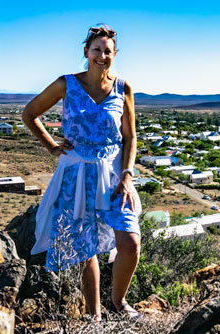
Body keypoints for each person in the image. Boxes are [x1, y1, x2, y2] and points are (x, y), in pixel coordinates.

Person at [22, 24, 142, 321]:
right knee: (85, 249)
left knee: (130, 242)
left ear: (115, 55)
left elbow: (130, 137)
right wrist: (51, 146)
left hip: (114, 175)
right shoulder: (67, 84)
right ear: (86, 52)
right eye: (97, 49)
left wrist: (127, 174)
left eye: (108, 51)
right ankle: (94, 315)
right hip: (76, 175)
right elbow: (30, 113)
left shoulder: (123, 88)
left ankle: (119, 301)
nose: (102, 55)